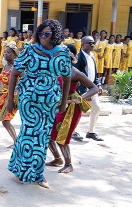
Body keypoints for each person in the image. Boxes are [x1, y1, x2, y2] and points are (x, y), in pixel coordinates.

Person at [6, 19, 72, 189]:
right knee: (28, 134)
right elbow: (15, 73)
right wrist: (10, 99)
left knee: (42, 136)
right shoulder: (30, 49)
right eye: (41, 33)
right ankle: (21, 170)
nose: (43, 36)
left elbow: (66, 78)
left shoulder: (63, 53)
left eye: (47, 33)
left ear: (55, 35)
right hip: (29, 99)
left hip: (49, 102)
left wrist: (63, 103)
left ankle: (36, 174)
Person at [46, 44, 98, 173]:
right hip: (56, 106)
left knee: (62, 136)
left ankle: (68, 164)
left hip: (70, 108)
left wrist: (80, 98)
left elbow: (94, 88)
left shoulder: (75, 72)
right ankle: (58, 159)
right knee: (47, 135)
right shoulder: (55, 70)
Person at [72, 36, 104, 142]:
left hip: (92, 88)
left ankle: (91, 132)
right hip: (83, 90)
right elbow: (77, 76)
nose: (92, 45)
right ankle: (73, 131)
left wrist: (98, 85)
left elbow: (94, 74)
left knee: (97, 108)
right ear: (83, 45)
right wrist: (84, 93)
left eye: (93, 43)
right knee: (77, 111)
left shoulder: (92, 56)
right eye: (90, 43)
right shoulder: (79, 58)